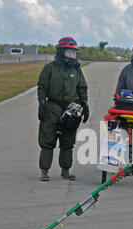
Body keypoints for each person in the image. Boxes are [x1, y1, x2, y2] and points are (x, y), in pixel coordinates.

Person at [37, 36, 89, 181]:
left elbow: (82, 88)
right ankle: (44, 170)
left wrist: (85, 104)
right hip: (52, 107)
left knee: (68, 141)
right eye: (69, 52)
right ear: (61, 52)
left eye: (73, 52)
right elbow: (42, 86)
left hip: (71, 109)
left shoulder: (77, 70)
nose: (72, 55)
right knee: (48, 139)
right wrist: (42, 104)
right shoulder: (50, 68)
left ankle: (65, 170)